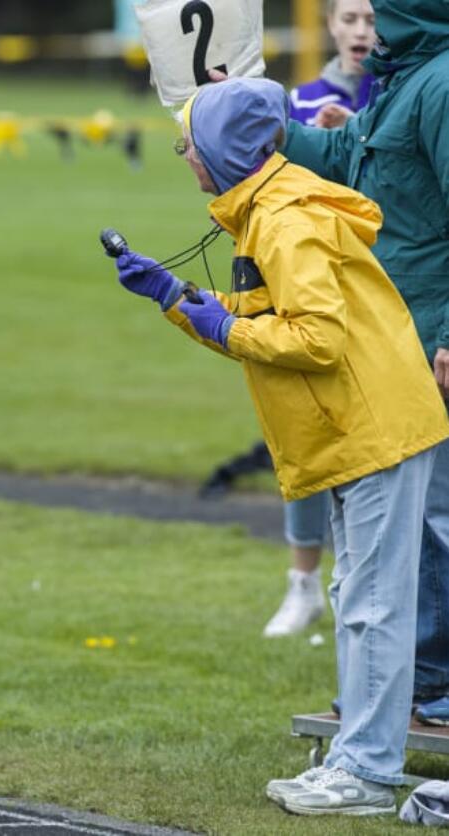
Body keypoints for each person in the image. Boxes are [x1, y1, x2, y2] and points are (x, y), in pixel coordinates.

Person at [115, 77, 446, 815]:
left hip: (372, 428)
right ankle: (356, 761)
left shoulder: (285, 220)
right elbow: (275, 315)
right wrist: (180, 300)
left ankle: (365, 772)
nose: (186, 158)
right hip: (360, 427)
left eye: (190, 145)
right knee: (356, 598)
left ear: (225, 150)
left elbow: (315, 340)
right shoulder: (267, 208)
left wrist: (217, 324)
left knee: (373, 606)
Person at [280, 0, 449, 725]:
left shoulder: (440, 85)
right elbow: (351, 161)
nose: (369, 21)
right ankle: (423, 684)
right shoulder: (408, 79)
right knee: (415, 520)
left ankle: (432, 689)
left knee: (432, 518)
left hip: (428, 337)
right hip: (394, 335)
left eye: (383, 7)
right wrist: (257, 131)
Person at [258, 0, 378, 639]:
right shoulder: (297, 99)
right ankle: (302, 583)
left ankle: (364, 581)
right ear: (328, 24)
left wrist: (355, 135)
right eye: (350, 19)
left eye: (371, 19)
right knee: (305, 435)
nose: (362, 32)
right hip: (308, 287)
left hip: (378, 292)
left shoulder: (406, 91)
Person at [290, 0, 377, 128]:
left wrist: (352, 127)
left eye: (373, 21)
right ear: (331, 23)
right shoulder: (301, 100)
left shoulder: (401, 93)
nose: (361, 32)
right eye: (349, 19)